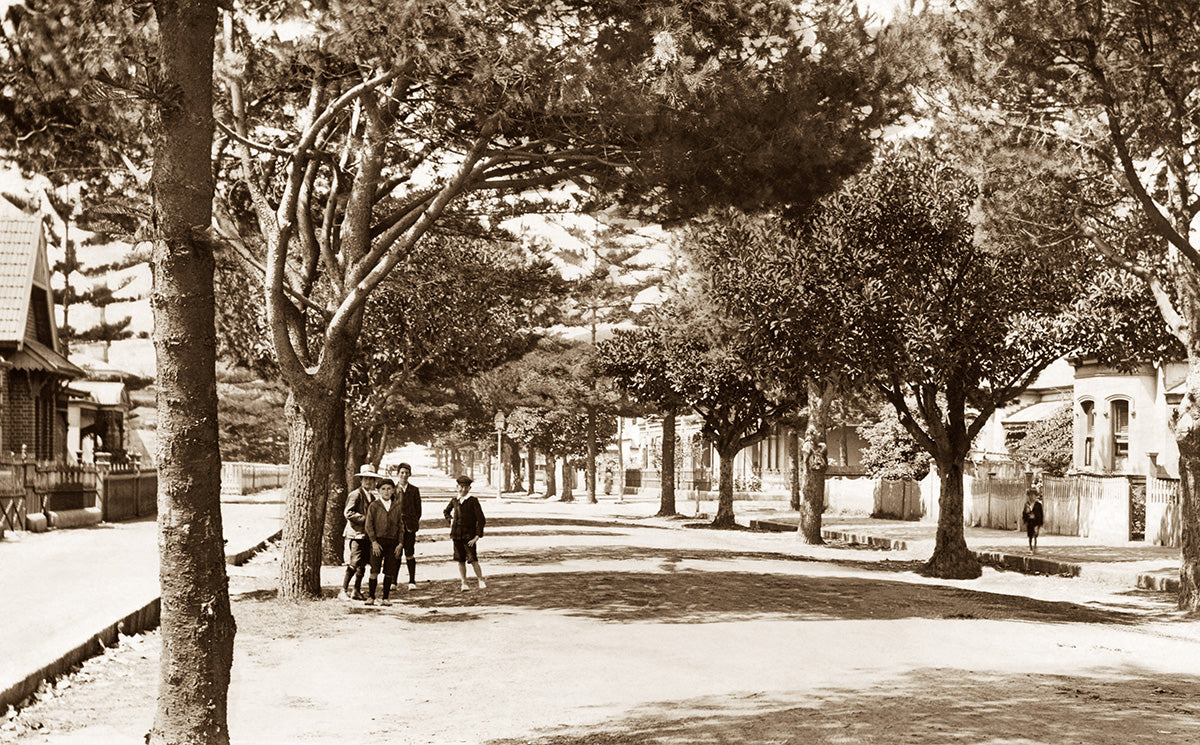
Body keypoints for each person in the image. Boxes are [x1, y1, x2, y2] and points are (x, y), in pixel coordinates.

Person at [364, 477, 404, 606]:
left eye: (389, 489)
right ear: (379, 491)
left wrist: (400, 543)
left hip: (392, 542)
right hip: (378, 542)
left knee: (389, 571)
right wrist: (374, 542)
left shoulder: (397, 506)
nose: (386, 492)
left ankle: (385, 598)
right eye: (383, 489)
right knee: (374, 570)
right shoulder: (374, 506)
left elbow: (401, 526)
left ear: (393, 490)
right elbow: (369, 525)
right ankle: (371, 596)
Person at [341, 464, 379, 600]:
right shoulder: (356, 494)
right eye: (366, 479)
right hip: (356, 534)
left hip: (366, 536)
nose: (369, 482)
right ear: (361, 480)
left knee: (362, 564)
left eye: (371, 479)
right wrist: (365, 519)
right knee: (354, 562)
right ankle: (343, 590)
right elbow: (348, 513)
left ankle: (356, 590)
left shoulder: (372, 498)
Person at [444, 474, 486, 591]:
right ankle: (464, 582)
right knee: (460, 560)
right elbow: (446, 512)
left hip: (469, 537)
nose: (463, 489)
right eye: (461, 487)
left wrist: (477, 536)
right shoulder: (454, 501)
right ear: (457, 487)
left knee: (473, 559)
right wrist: (450, 520)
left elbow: (481, 520)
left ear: (469, 489)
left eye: (466, 487)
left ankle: (480, 579)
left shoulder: (473, 501)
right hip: (457, 536)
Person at [396, 462, 422, 590]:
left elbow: (418, 510)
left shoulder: (414, 490)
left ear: (410, 474)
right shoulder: (393, 490)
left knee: (409, 553)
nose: (404, 475)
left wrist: (412, 521)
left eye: (406, 473)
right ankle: (393, 582)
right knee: (396, 554)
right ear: (398, 474)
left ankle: (412, 581)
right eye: (402, 473)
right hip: (396, 528)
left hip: (410, 527)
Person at [1022, 487, 1044, 554]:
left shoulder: (1038, 505)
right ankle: (1030, 547)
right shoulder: (1027, 504)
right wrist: (1026, 517)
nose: (1032, 497)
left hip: (1036, 522)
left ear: (1035, 496)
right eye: (1030, 495)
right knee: (1030, 535)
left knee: (1035, 534)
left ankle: (1035, 547)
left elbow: (1041, 514)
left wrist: (1040, 522)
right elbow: (1024, 513)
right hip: (1030, 522)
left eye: (1033, 495)